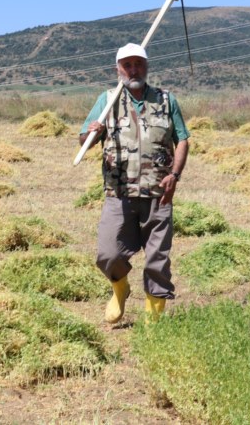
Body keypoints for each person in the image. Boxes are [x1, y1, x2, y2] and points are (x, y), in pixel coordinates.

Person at [79, 43, 190, 324]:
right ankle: (120, 287)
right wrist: (94, 132)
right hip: (119, 192)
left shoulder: (166, 100)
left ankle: (154, 320)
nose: (133, 69)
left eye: (138, 64)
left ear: (147, 66)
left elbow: (183, 139)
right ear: (118, 69)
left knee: (157, 260)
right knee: (108, 253)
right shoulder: (107, 100)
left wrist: (174, 176)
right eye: (127, 65)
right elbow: (83, 141)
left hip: (158, 193)